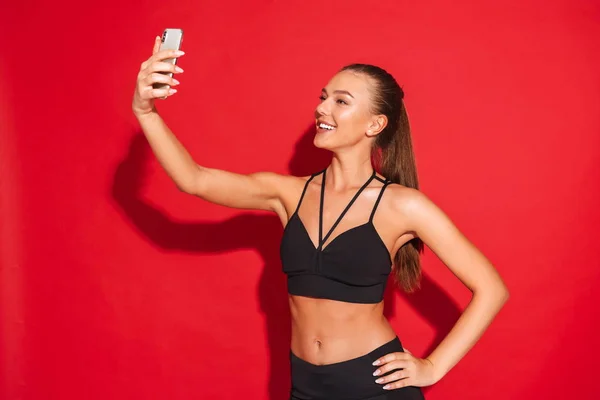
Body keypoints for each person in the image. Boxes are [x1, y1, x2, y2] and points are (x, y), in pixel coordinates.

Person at [132, 36, 510, 400]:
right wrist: (145, 112)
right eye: (323, 97)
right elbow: (194, 180)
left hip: (373, 387)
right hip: (307, 387)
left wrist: (432, 366)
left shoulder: (401, 205)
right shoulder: (288, 194)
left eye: (341, 101)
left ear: (374, 125)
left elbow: (491, 289)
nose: (322, 108)